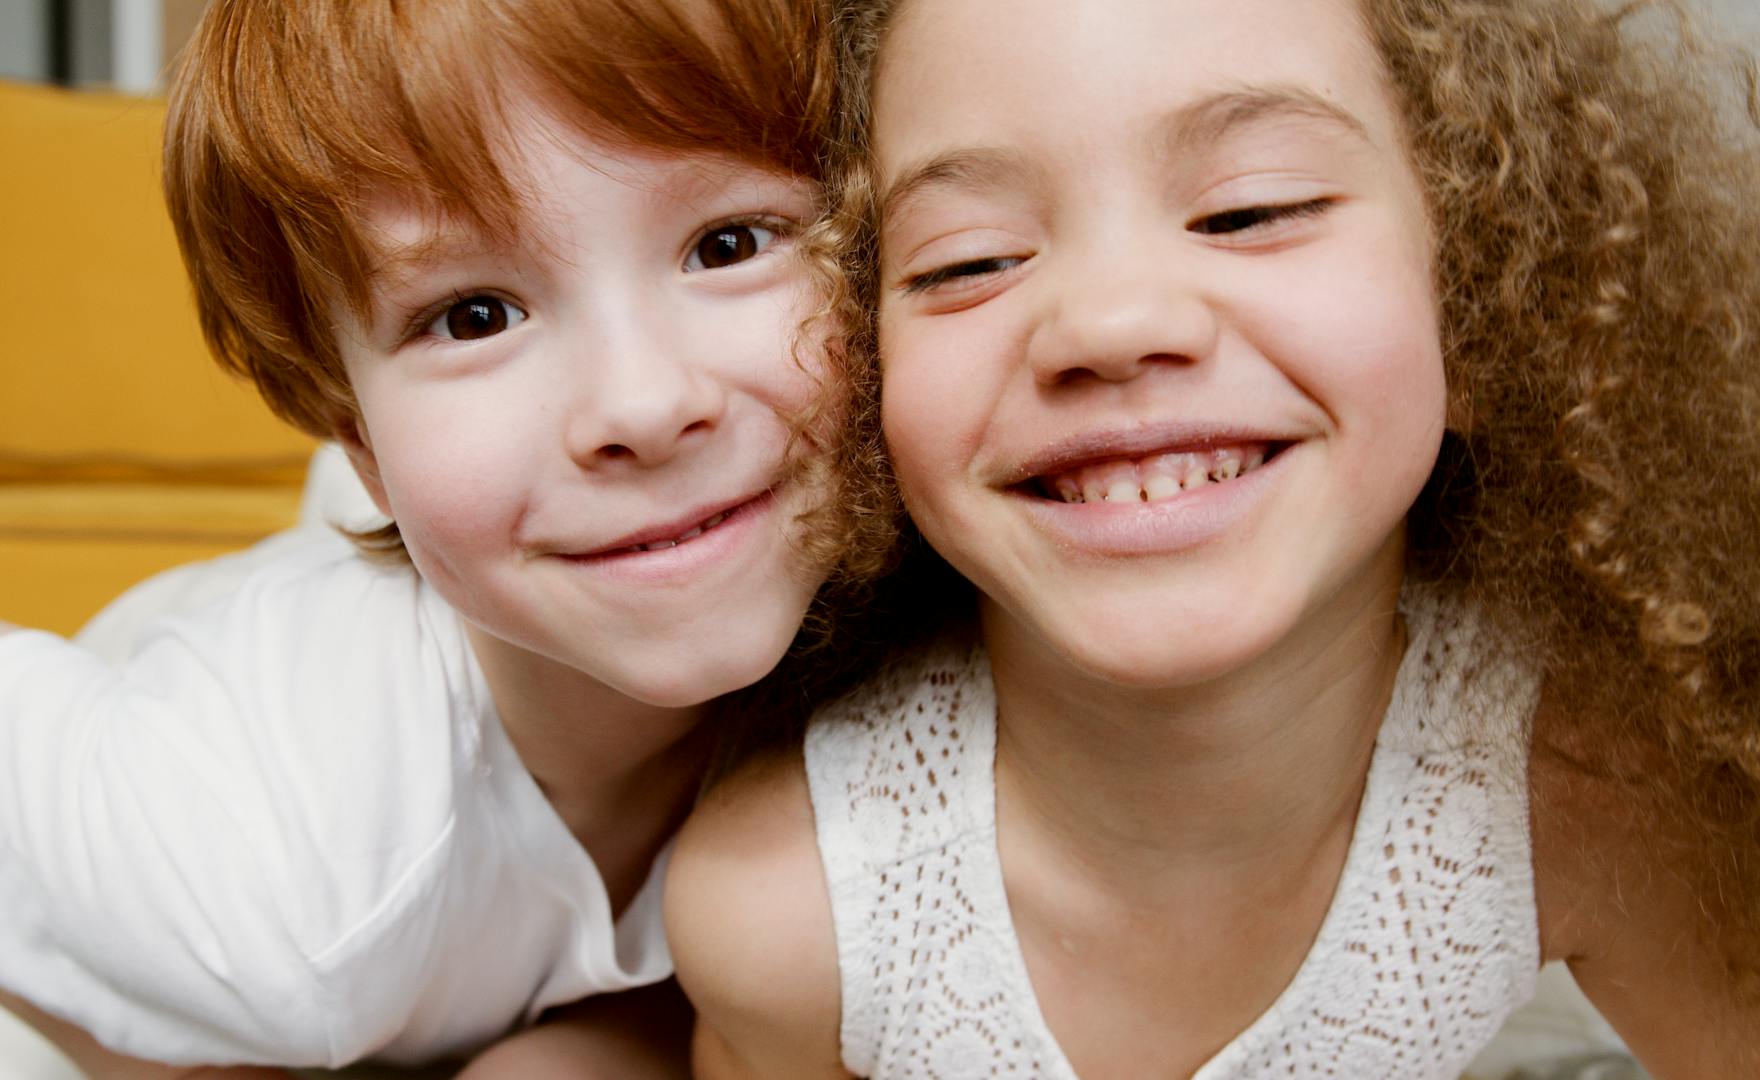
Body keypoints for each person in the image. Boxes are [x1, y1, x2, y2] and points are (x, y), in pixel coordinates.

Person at [666, 0, 1760, 1076]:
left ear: (1475, 300)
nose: (1111, 322)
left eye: (1251, 210)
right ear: (863, 380)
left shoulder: (1600, 799)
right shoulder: (785, 919)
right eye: (970, 261)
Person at [0, 0, 858, 1073]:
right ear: (360, 439)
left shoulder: (871, 557)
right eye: (474, 315)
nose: (645, 404)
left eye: (727, 245)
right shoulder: (282, 870)